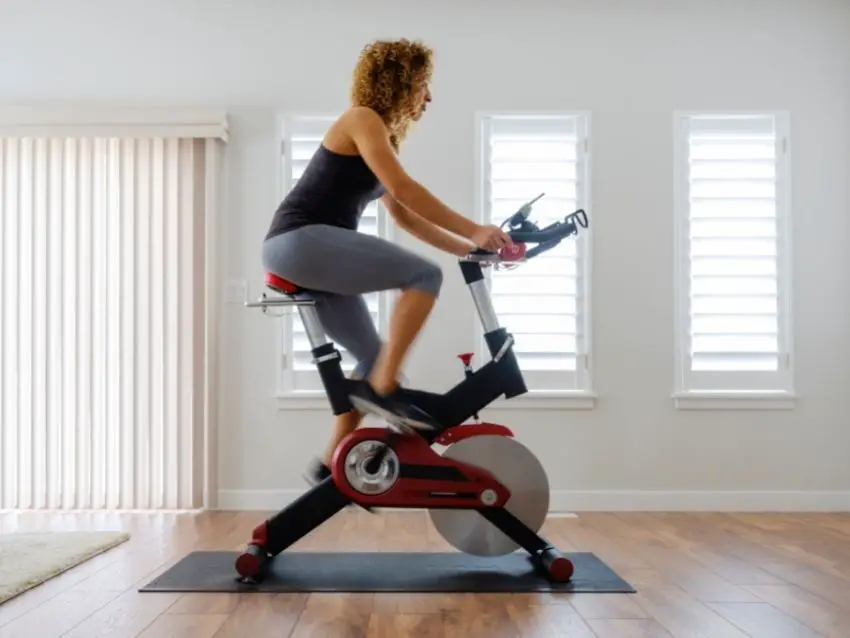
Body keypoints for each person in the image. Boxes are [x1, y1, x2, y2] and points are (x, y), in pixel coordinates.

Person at [262, 38, 512, 485]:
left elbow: (406, 218)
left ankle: (328, 468)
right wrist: (474, 227)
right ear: (399, 83)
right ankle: (385, 387)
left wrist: (473, 251)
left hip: (314, 254)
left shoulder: (383, 137)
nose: (429, 97)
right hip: (298, 242)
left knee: (372, 357)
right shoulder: (361, 120)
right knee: (423, 277)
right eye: (423, 85)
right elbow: (404, 189)